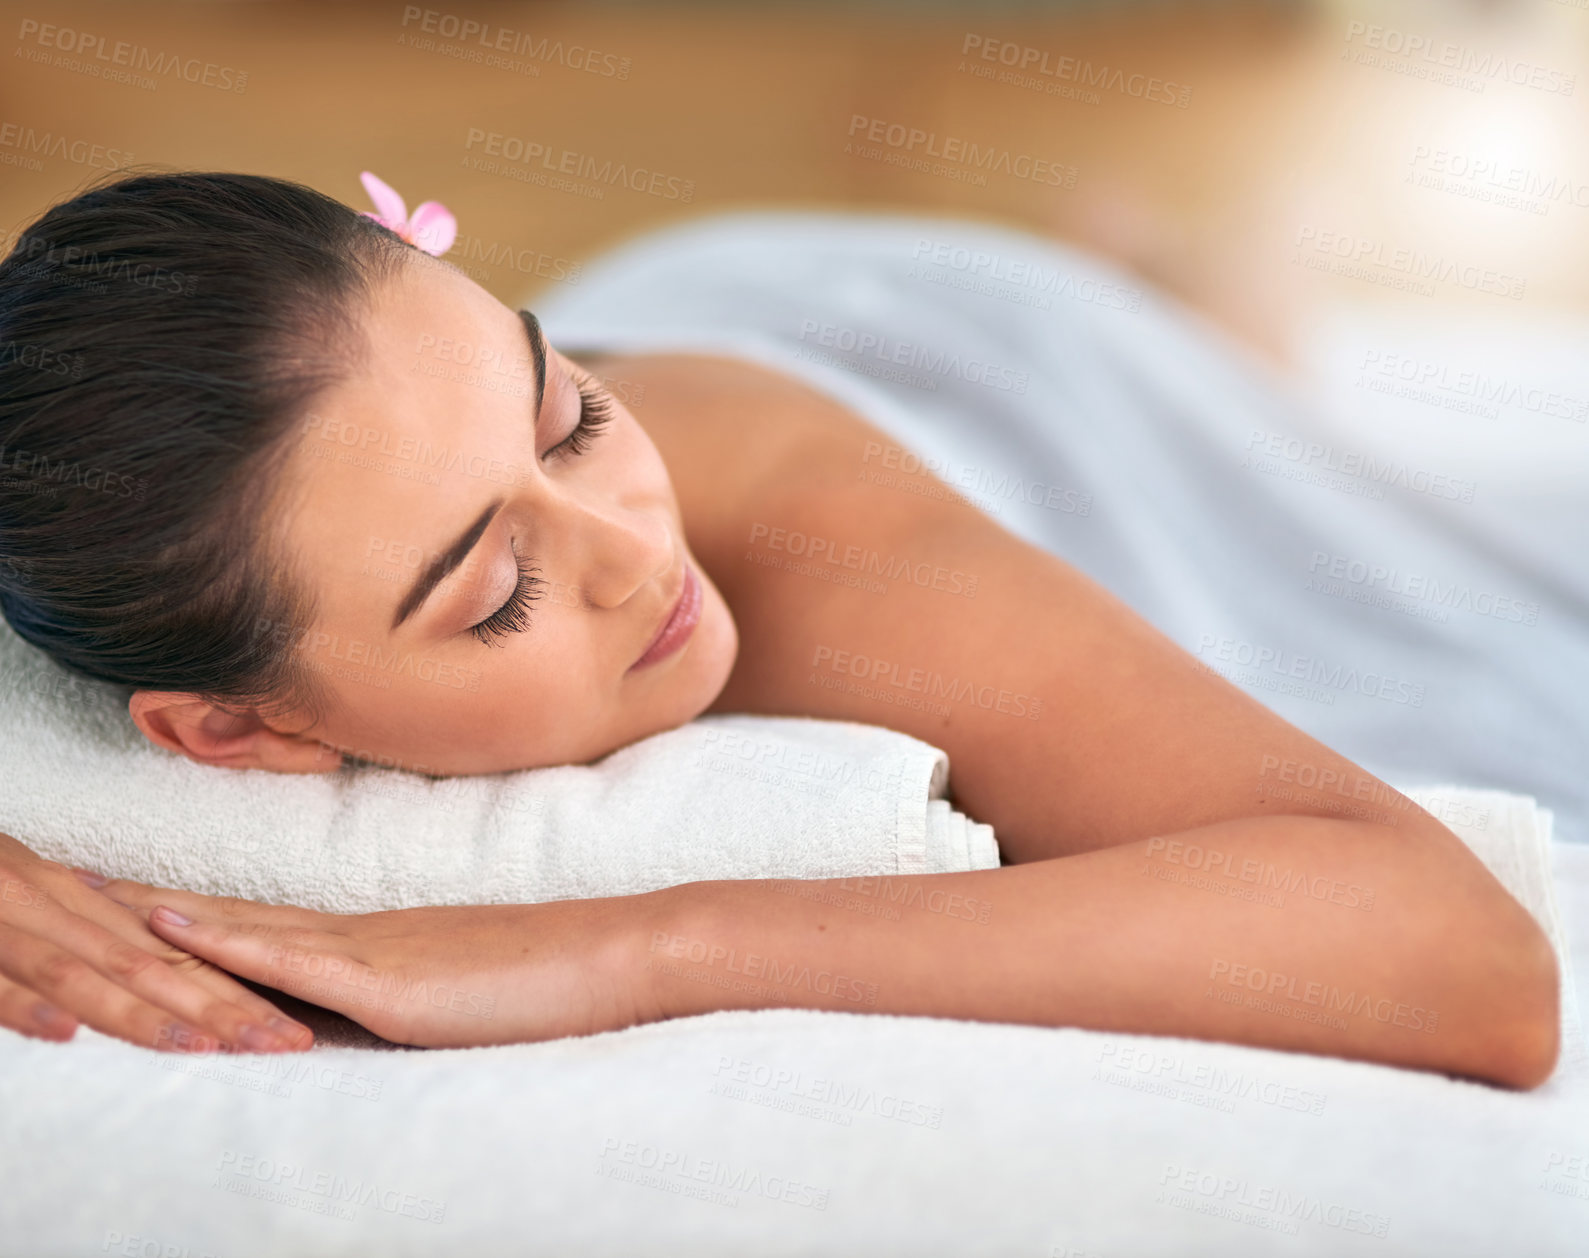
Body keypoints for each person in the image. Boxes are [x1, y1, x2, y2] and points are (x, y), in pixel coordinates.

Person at [0, 171, 1559, 1087]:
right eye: (499, 594)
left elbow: (1467, 961)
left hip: (969, 361)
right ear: (237, 730)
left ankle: (1163, 280)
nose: (633, 554)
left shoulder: (826, 562)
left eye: (567, 420)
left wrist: (638, 944)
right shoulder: (153, 538)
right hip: (634, 338)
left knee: (1249, 406)